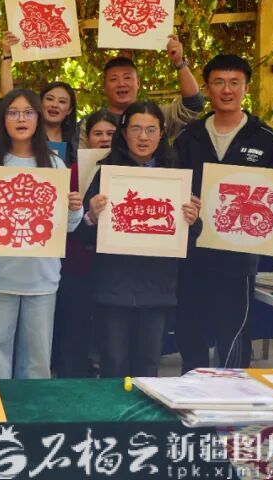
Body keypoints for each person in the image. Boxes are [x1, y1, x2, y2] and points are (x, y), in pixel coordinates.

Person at [174, 55, 273, 371]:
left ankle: (231, 396)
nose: (226, 90)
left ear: (246, 88)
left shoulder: (266, 138)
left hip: (239, 260)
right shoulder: (189, 137)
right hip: (192, 255)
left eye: (234, 82)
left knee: (233, 336)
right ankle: (190, 394)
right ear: (208, 87)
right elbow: (173, 187)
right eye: (219, 82)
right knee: (191, 333)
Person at [0, 90, 84, 379]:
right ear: (2, 119)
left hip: (41, 279)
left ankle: (32, 410)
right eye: (13, 112)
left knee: (37, 362)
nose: (21, 119)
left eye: (28, 112)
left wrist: (74, 209)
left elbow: (67, 227)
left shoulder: (54, 165)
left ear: (38, 118)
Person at [78, 101, 201, 377]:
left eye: (151, 130)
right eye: (136, 129)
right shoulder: (107, 173)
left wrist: (193, 220)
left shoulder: (175, 174)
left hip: (157, 288)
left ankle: (144, 408)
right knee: (113, 364)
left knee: (148, 366)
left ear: (161, 134)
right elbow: (83, 233)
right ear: (124, 133)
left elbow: (189, 237)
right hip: (113, 288)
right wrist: (91, 216)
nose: (143, 137)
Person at [52, 109, 119, 378]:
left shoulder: (133, 171)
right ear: (87, 138)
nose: (104, 139)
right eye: (98, 133)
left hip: (115, 268)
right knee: (74, 330)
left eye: (111, 133)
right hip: (77, 263)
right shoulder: (73, 172)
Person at [75, 36, 204, 145]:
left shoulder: (157, 116)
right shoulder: (88, 124)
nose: (121, 84)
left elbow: (193, 105)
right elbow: (80, 160)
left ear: (138, 83)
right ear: (104, 86)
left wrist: (179, 62)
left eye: (127, 78)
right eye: (114, 79)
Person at [0, 34, 79, 162]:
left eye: (62, 101)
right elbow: (9, 99)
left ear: (69, 110)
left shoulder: (76, 139)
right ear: (39, 104)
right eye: (49, 99)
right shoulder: (26, 133)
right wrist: (7, 56)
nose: (54, 104)